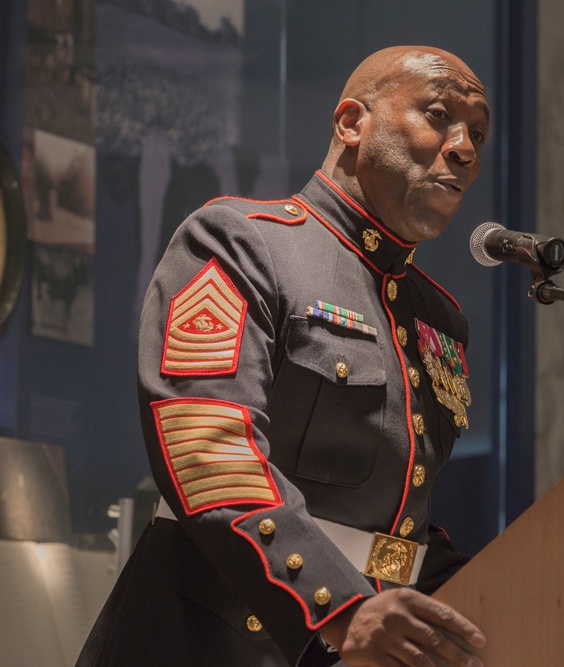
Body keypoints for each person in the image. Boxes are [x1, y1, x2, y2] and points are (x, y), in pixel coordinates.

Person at [77, 45, 491, 667]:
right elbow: (207, 446)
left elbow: (395, 530)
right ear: (352, 123)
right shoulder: (243, 242)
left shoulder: (439, 317)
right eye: (438, 115)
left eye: (477, 134)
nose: (464, 148)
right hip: (210, 639)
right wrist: (341, 609)